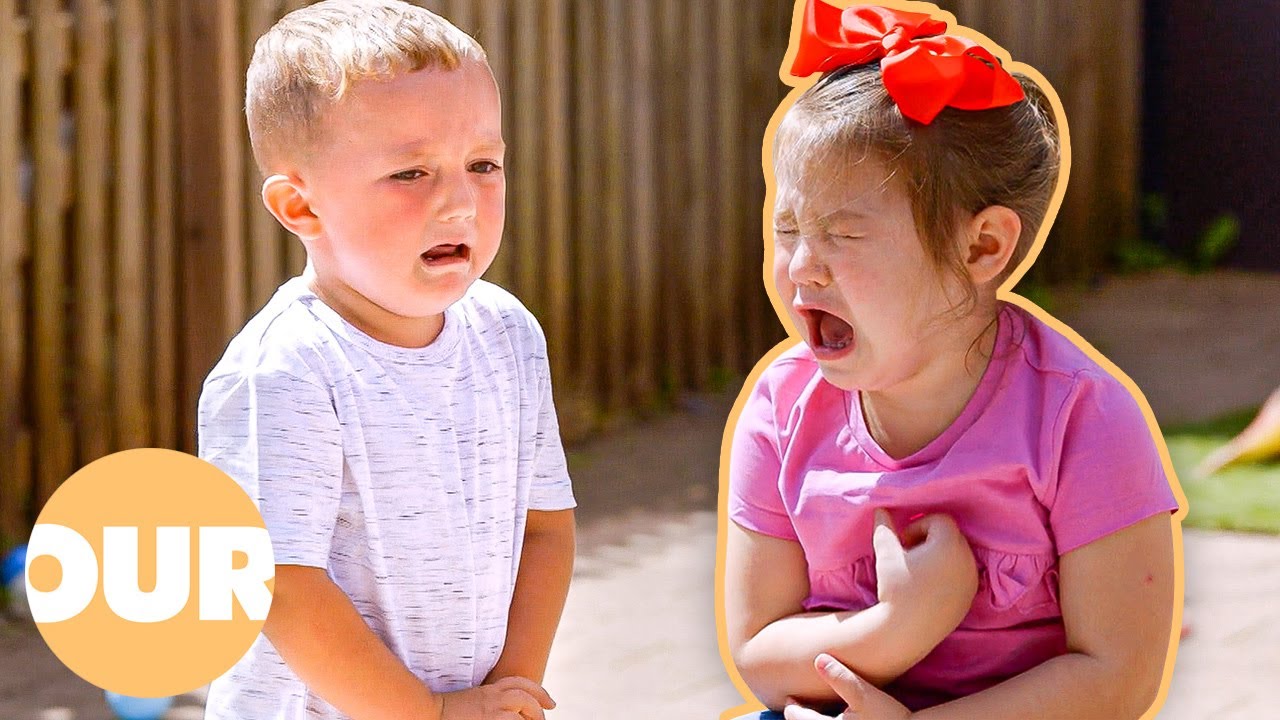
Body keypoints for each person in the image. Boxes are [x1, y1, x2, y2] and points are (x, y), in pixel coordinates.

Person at [724, 2, 1182, 718]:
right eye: (789, 228)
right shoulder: (782, 410)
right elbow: (758, 650)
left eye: (843, 233)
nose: (803, 265)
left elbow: (1118, 675)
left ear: (982, 247)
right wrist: (899, 627)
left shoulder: (1082, 418)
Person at [196, 2, 576, 718]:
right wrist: (430, 713)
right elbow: (282, 588)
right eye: (409, 173)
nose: (459, 203)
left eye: (483, 164)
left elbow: (546, 529)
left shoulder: (508, 336)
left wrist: (508, 694)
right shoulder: (286, 371)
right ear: (302, 207)